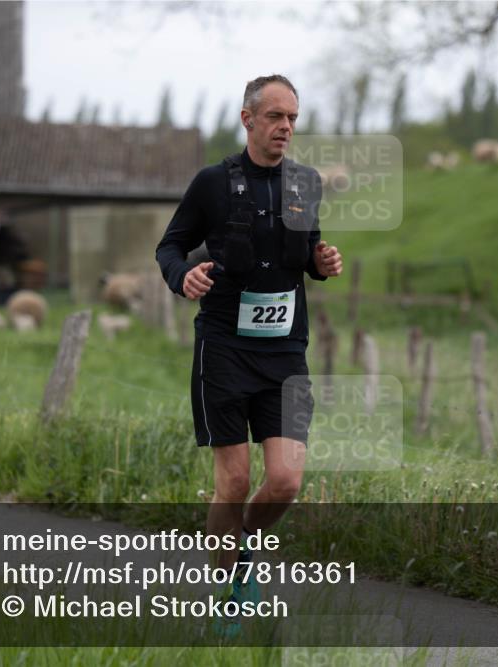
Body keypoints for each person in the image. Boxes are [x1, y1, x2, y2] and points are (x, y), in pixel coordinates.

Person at [155, 74, 342, 635]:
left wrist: (321, 261)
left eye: (293, 119)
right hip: (225, 347)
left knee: (285, 481)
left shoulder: (305, 184)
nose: (285, 127)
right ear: (248, 119)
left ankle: (240, 553)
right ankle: (225, 591)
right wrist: (181, 274)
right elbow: (170, 245)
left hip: (285, 349)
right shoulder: (212, 183)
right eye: (276, 117)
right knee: (233, 483)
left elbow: (306, 251)